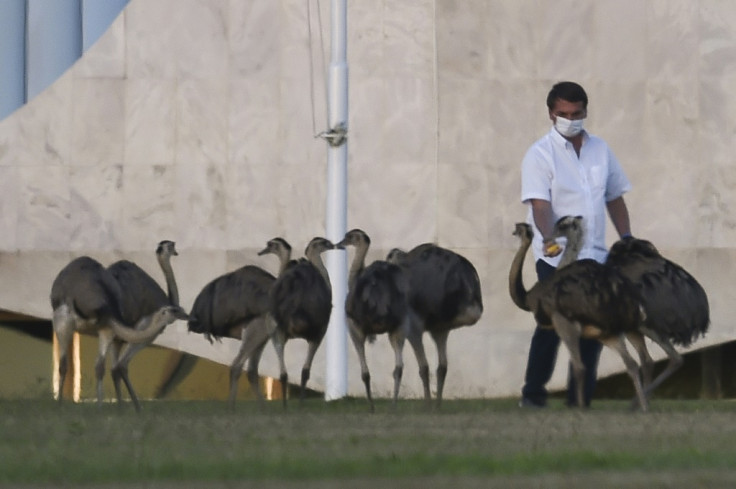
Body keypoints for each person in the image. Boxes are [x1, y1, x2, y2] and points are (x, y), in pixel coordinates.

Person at [519, 81, 633, 408]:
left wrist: (626, 239)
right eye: (563, 113)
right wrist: (550, 237)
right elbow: (540, 205)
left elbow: (614, 197)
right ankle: (533, 395)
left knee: (593, 329)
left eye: (576, 113)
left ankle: (579, 398)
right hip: (556, 259)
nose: (570, 118)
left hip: (594, 256)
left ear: (585, 111)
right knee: (550, 325)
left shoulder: (601, 150)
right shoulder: (540, 154)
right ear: (551, 114)